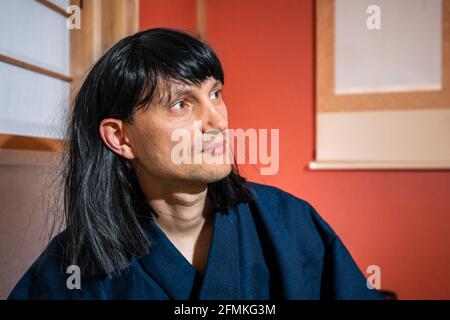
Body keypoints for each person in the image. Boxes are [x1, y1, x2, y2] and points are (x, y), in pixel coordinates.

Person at [8, 28, 383, 300]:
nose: (218, 121)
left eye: (215, 94)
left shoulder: (288, 222)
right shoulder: (72, 268)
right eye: (181, 104)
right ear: (120, 138)